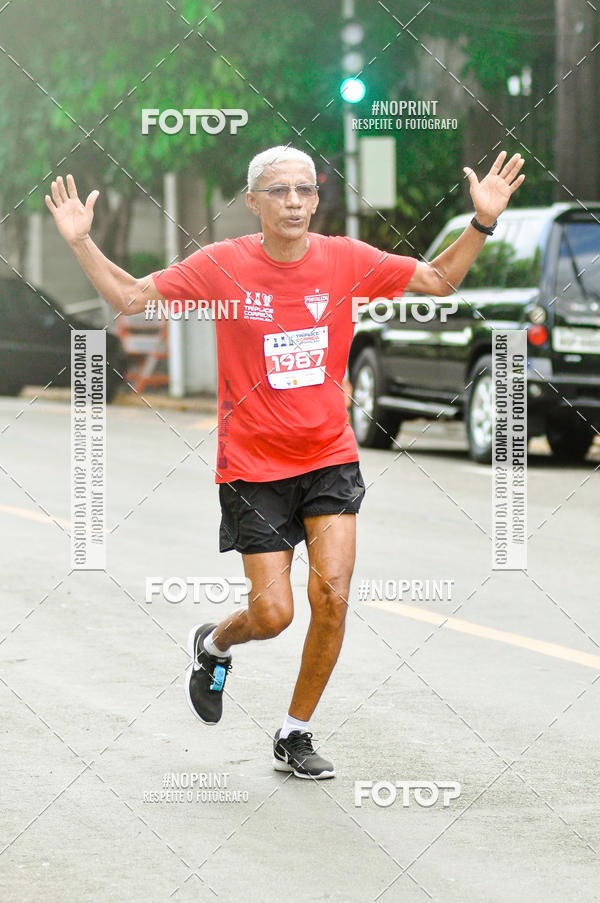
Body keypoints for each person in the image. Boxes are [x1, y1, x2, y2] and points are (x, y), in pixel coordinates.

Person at [46, 145, 524, 780]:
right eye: (279, 191)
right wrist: (81, 242)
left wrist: (483, 221)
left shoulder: (347, 259)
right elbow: (132, 298)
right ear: (253, 202)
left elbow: (437, 280)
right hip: (253, 468)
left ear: (316, 199)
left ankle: (295, 732)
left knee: (332, 596)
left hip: (329, 458)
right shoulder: (223, 265)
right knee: (273, 615)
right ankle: (214, 644)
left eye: (305, 190)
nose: (294, 202)